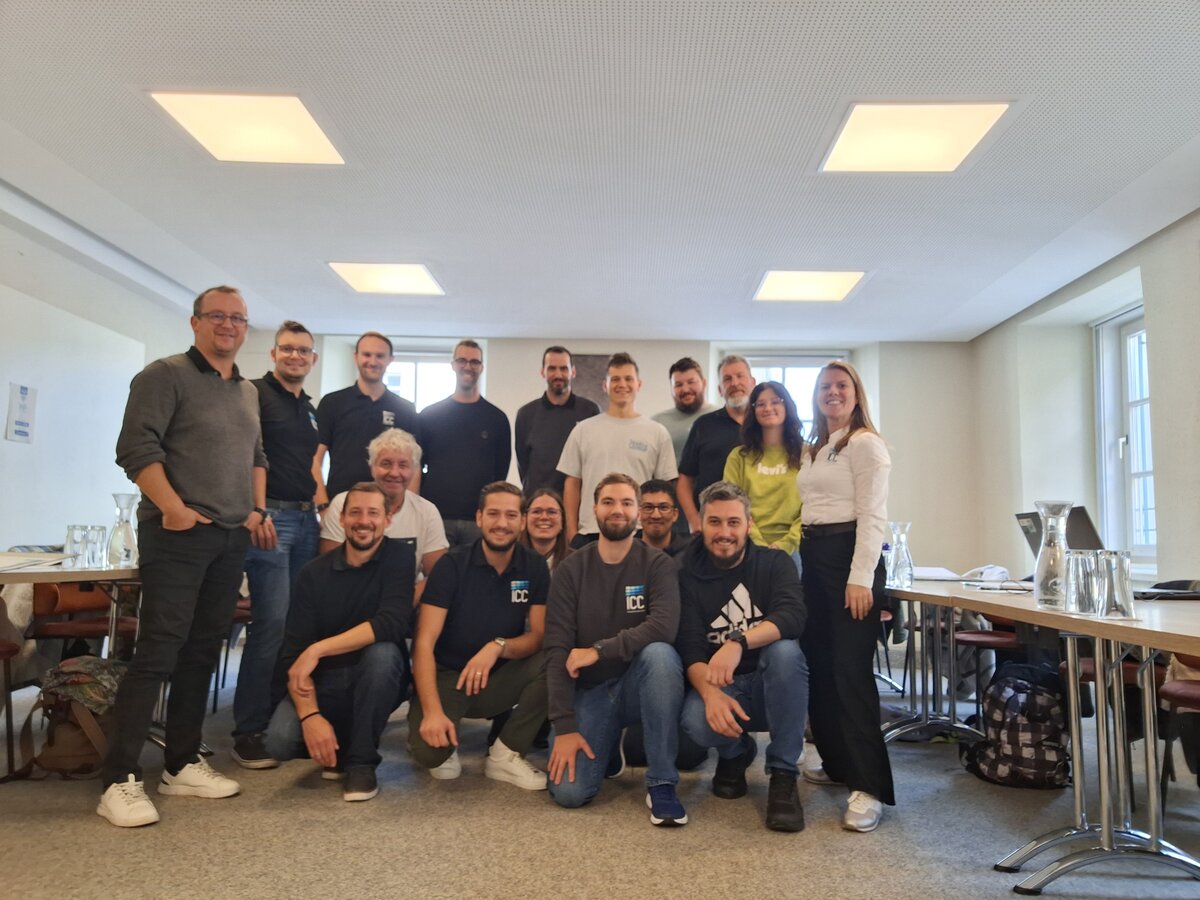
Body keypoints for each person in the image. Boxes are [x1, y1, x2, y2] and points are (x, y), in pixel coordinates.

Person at [99, 285, 268, 828]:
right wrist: (173, 508)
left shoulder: (246, 390)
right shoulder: (163, 375)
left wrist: (255, 510)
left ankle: (180, 763)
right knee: (158, 652)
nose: (228, 324)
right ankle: (119, 779)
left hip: (229, 537)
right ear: (195, 322)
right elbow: (135, 448)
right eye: (217, 315)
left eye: (238, 318)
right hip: (178, 534)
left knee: (201, 653)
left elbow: (256, 455)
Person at [544, 474, 687, 827]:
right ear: (594, 509)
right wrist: (564, 727)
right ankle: (607, 747)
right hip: (591, 691)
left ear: (637, 511)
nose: (617, 510)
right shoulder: (570, 569)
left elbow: (663, 627)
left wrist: (598, 650)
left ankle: (662, 783)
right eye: (608, 502)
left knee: (660, 654)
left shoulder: (658, 564)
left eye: (626, 502)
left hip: (641, 684)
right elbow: (557, 649)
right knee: (570, 794)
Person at [265, 483, 414, 803]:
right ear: (342, 519)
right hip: (325, 681)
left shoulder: (399, 556)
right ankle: (341, 742)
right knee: (279, 741)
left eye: (373, 513)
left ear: (387, 519)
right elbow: (293, 655)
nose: (364, 521)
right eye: (355, 513)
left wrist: (318, 649)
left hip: (375, 677)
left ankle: (361, 762)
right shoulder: (313, 574)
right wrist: (311, 717)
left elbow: (392, 622)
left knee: (384, 654)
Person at [796, 360, 895, 832]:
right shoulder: (815, 446)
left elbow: (873, 516)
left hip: (849, 562)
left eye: (841, 385)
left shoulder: (866, 443)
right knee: (820, 669)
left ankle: (868, 787)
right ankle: (837, 763)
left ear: (856, 394)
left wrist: (861, 578)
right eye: (825, 387)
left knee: (851, 674)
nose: (832, 392)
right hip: (813, 558)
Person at [677, 482, 809, 832]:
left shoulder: (775, 562)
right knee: (694, 720)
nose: (724, 532)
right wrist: (710, 695)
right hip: (722, 684)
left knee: (785, 651)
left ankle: (783, 775)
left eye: (733, 522)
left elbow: (793, 616)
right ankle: (735, 752)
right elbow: (689, 647)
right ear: (701, 524)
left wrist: (737, 642)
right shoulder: (684, 572)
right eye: (715, 522)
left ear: (749, 524)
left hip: (771, 685)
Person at [408, 482, 550, 790]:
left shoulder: (535, 566)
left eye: (511, 515)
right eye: (494, 514)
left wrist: (498, 647)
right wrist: (432, 713)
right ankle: (442, 730)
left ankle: (505, 754)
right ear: (479, 518)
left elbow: (540, 636)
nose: (502, 523)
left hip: (499, 677)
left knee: (556, 659)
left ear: (522, 521)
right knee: (429, 754)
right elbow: (423, 643)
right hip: (448, 676)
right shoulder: (451, 566)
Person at [233, 320, 322, 770]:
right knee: (269, 625)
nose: (295, 356)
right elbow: (245, 455)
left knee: (293, 626)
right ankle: (247, 730)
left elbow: (307, 463)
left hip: (306, 519)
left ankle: (275, 720)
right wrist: (257, 510)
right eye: (287, 349)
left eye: (303, 351)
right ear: (273, 354)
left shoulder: (308, 406)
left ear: (313, 359)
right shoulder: (253, 393)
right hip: (272, 520)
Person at [557, 353, 677, 547]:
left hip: (639, 533)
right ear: (605, 386)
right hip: (590, 532)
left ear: (639, 384)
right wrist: (571, 532)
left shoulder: (657, 433)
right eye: (615, 379)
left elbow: (664, 489)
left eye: (628, 379)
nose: (622, 384)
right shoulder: (583, 430)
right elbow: (572, 484)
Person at [319, 428, 447, 602]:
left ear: (414, 470)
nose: (394, 473)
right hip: (348, 601)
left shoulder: (427, 512)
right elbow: (328, 570)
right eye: (386, 464)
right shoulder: (343, 504)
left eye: (403, 465)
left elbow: (438, 575)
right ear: (372, 467)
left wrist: (401, 605)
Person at [418, 340, 512, 546]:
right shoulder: (429, 416)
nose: (468, 366)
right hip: (436, 516)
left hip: (479, 519)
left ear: (482, 367)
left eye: (474, 362)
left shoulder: (497, 418)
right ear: (453, 365)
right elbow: (416, 467)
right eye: (462, 360)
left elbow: (500, 473)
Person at [312, 331, 420, 508]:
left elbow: (414, 465)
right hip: (341, 507)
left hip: (389, 509)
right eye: (367, 354)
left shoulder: (405, 409)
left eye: (380, 356)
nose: (373, 361)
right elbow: (315, 459)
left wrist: (407, 510)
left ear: (390, 359)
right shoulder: (332, 402)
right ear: (356, 357)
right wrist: (323, 506)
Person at [722, 381, 804, 558]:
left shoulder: (806, 454)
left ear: (787, 406)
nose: (768, 408)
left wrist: (787, 543)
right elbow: (732, 505)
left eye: (775, 402)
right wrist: (758, 544)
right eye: (760, 404)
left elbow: (812, 504)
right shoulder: (738, 457)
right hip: (747, 544)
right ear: (753, 411)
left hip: (795, 547)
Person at [677, 355, 757, 532]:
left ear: (753, 383)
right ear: (720, 389)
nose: (734, 383)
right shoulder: (703, 425)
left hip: (757, 525)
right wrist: (694, 520)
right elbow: (684, 481)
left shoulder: (763, 425)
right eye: (727, 379)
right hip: (710, 525)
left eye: (740, 376)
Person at [514, 346, 600, 497]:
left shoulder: (590, 411)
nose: (558, 374)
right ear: (543, 372)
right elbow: (523, 465)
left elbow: (592, 460)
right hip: (537, 502)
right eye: (552, 368)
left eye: (564, 369)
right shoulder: (526, 414)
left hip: (576, 502)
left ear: (573, 372)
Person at [651, 358, 714, 465]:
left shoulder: (720, 417)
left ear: (704, 383)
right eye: (678, 385)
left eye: (691, 382)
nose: (685, 389)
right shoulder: (657, 423)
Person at [638, 479, 693, 557]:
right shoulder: (626, 553)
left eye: (663, 507)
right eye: (648, 507)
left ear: (675, 514)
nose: (656, 515)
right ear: (638, 513)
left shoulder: (691, 555)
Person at [521, 488, 571, 570]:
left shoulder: (577, 562)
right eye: (536, 511)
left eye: (552, 512)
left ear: (562, 521)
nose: (544, 517)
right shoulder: (509, 560)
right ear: (524, 520)